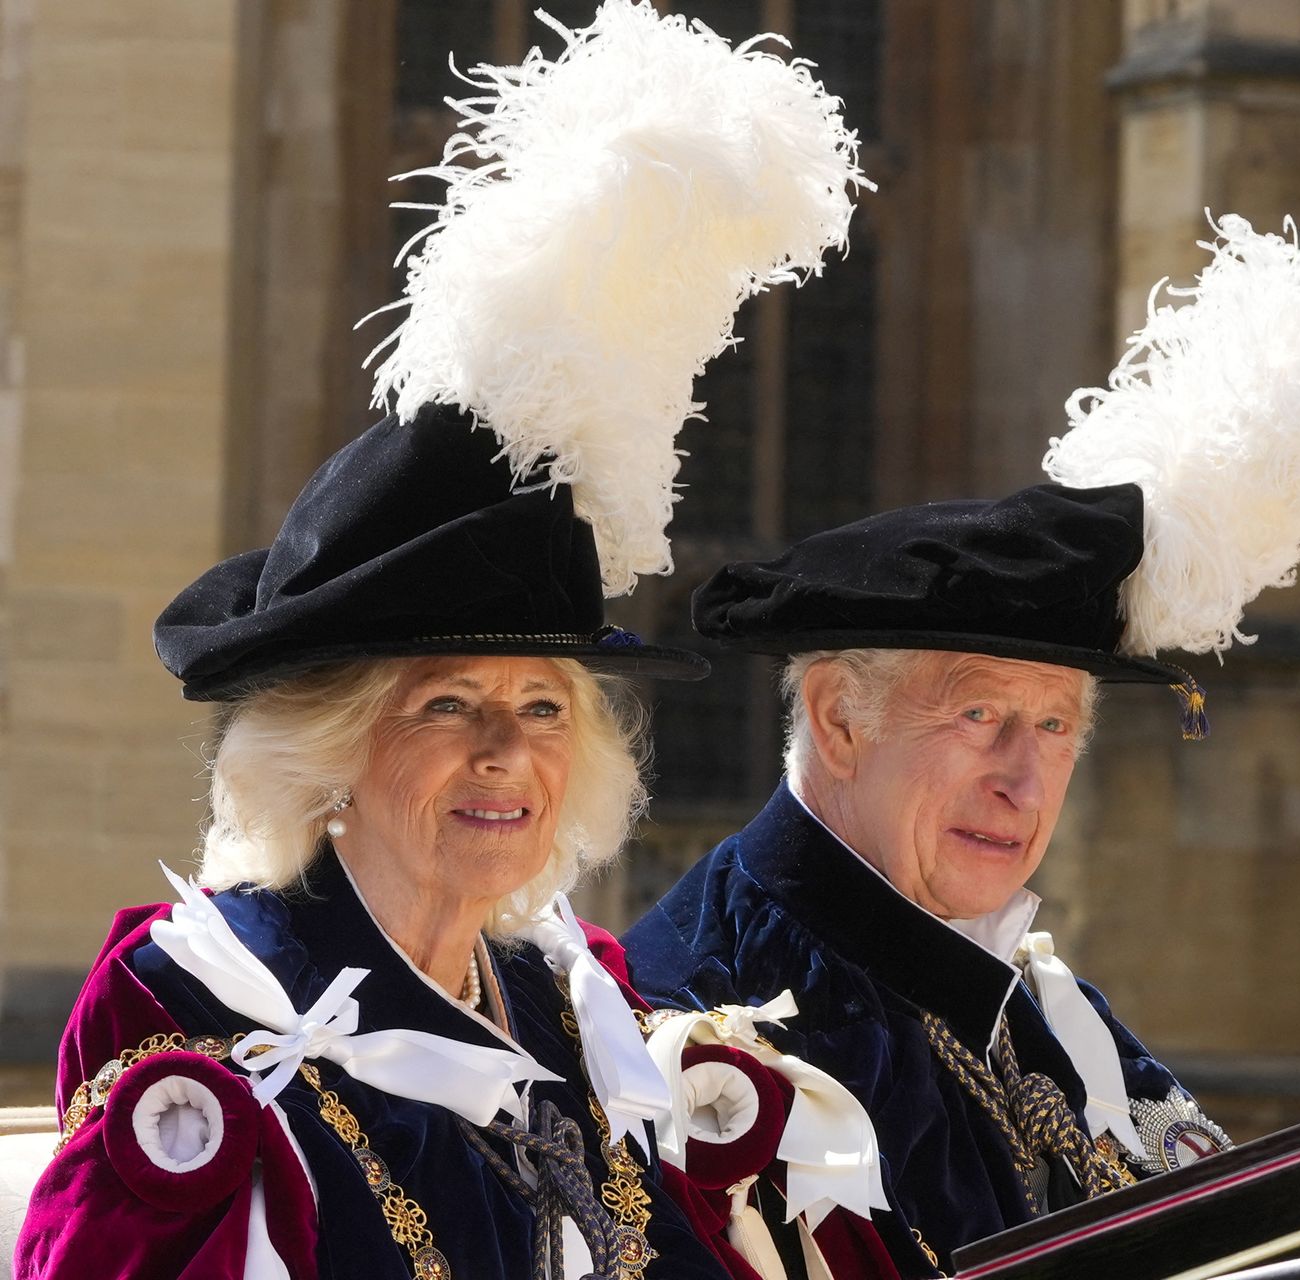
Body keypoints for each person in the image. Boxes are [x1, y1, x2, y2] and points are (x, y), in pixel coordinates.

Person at [15, 0, 889, 1273]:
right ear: (327, 748)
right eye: (444, 704)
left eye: (541, 706)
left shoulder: (571, 1006)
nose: (505, 752)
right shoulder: (210, 1036)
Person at [621, 484, 1236, 1276]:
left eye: (1053, 726)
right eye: (979, 715)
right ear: (840, 718)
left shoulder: (1052, 1014)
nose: (1024, 785)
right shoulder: (697, 1034)